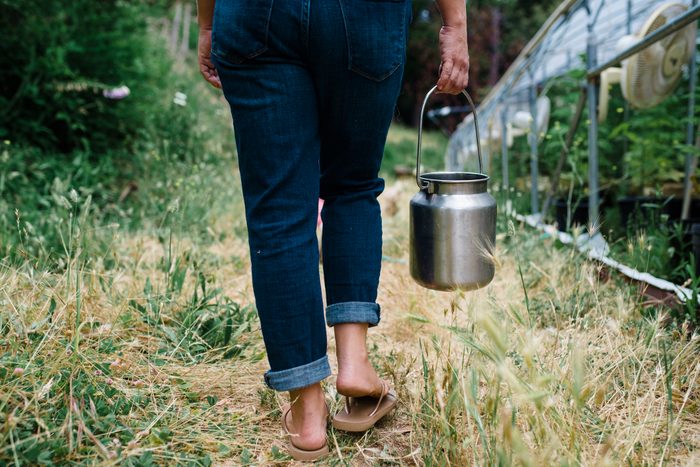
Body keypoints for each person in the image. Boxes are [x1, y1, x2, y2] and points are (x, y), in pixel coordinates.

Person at [196, 0, 469, 460]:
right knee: (353, 186)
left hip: (255, 15)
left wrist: (208, 23)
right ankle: (355, 363)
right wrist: (455, 24)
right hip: (364, 17)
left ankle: (306, 413)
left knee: (279, 210)